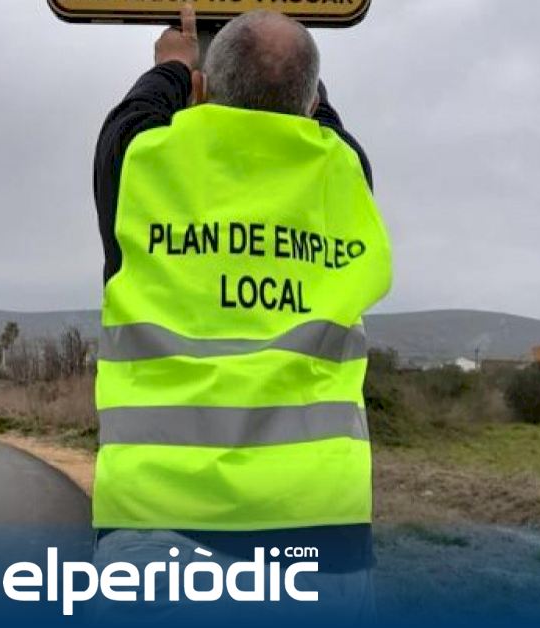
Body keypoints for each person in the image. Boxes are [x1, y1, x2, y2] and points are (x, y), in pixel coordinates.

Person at [90, 3, 392, 621]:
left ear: (201, 90)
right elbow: (320, 118)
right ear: (312, 103)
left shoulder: (142, 165)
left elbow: (130, 119)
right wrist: (292, 75)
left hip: (158, 528)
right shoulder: (344, 178)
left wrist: (174, 66)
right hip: (321, 534)